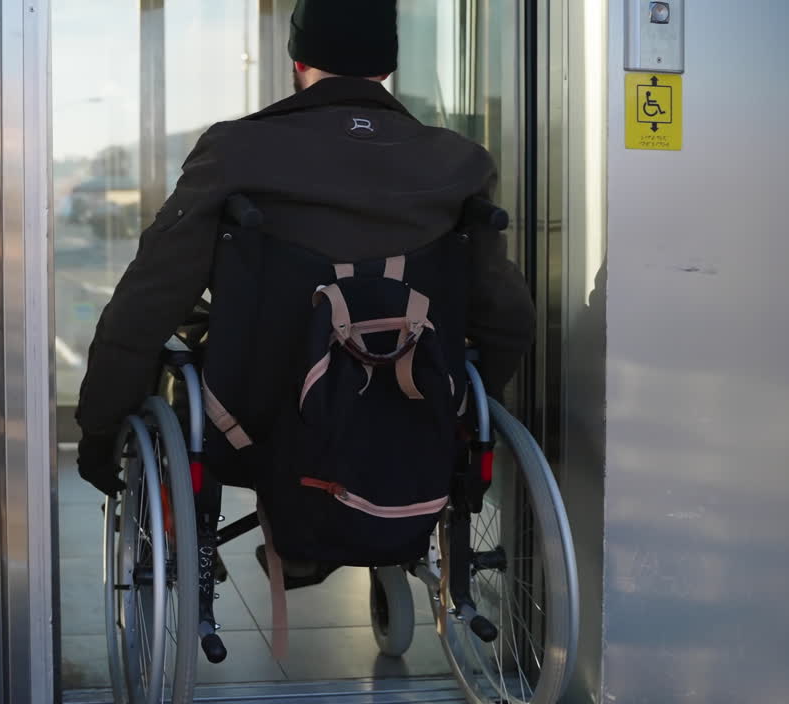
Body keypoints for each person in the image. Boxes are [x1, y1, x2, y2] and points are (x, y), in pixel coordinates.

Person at [75, 0, 535, 495]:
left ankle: (283, 547)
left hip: (254, 420)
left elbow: (150, 298)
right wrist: (471, 399)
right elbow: (504, 313)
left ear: (297, 60)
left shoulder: (235, 151)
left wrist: (100, 427)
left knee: (187, 364)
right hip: (413, 400)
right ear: (386, 67)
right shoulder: (460, 163)